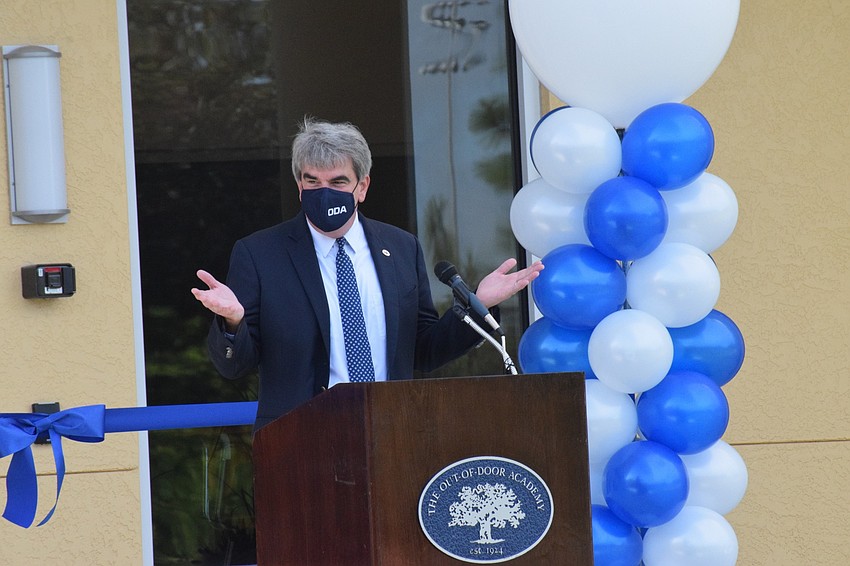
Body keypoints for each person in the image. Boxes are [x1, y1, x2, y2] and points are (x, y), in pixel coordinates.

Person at [192, 118, 543, 430]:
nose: (323, 192)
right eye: (312, 181)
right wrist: (233, 323)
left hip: (393, 430)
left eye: (338, 181)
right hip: (301, 440)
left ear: (362, 187)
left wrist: (477, 304)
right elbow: (233, 367)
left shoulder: (401, 248)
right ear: (299, 187)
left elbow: (422, 351)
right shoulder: (260, 254)